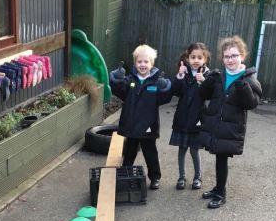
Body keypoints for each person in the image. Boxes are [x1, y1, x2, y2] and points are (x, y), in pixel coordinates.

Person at [198, 35, 262, 209]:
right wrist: (206, 82)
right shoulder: (219, 76)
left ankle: (221, 193)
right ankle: (217, 188)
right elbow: (203, 95)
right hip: (216, 125)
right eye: (227, 56)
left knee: (221, 158)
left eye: (234, 55)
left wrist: (245, 90)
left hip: (230, 127)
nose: (230, 59)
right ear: (222, 58)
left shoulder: (248, 78)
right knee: (218, 157)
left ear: (242, 55)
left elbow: (252, 104)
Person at [109, 44, 172, 190]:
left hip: (148, 125)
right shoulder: (130, 79)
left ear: (151, 63)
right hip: (131, 124)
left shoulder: (155, 82)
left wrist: (165, 88)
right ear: (135, 63)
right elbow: (119, 92)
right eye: (139, 62)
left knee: (150, 153)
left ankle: (155, 177)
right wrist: (116, 79)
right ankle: (125, 174)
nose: (142, 65)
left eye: (146, 62)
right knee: (129, 152)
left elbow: (165, 98)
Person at [170, 43, 210, 190]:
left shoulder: (207, 75)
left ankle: (197, 177)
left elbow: (210, 94)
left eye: (200, 57)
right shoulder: (184, 73)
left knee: (194, 149)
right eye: (193, 57)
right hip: (182, 117)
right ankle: (181, 177)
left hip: (197, 119)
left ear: (205, 59)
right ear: (187, 58)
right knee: (182, 149)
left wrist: (203, 82)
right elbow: (175, 91)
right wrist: (179, 75)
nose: (196, 60)